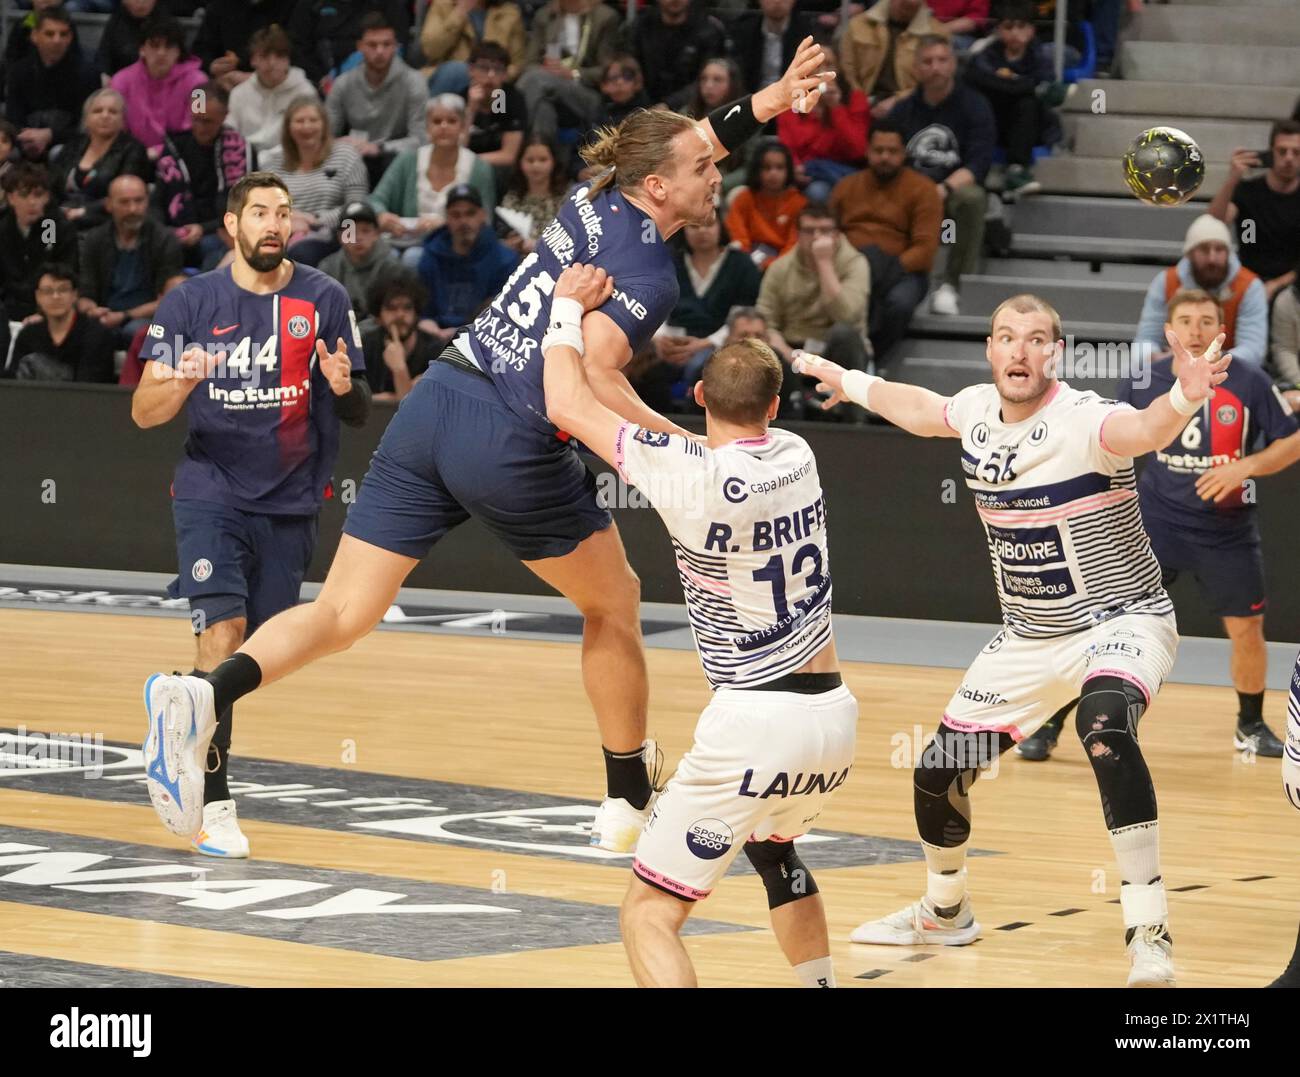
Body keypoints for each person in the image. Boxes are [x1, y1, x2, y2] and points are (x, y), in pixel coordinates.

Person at [135, 39, 833, 855]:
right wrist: (687, 448)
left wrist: (774, 99)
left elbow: (697, 137)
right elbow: (593, 379)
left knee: (341, 612)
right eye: (704, 170)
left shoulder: (597, 189)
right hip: (510, 431)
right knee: (613, 602)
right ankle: (625, 800)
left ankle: (207, 695)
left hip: (437, 398)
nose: (718, 173)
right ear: (659, 187)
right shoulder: (651, 274)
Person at [800, 292, 1233, 987]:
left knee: (1104, 727)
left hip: (1120, 619)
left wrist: (1183, 399)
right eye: (1006, 337)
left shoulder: (1084, 420)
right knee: (938, 772)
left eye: (1035, 339)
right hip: (1030, 639)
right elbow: (917, 408)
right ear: (991, 351)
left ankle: (1148, 929)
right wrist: (848, 380)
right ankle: (946, 911)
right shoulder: (975, 411)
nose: (1019, 350)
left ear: (1054, 354)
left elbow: (1144, 429)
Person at [540, 262, 857, 988]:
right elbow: (668, 435)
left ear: (702, 395)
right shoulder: (798, 455)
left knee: (648, 911)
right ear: (776, 406)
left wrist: (566, 312)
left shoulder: (687, 478)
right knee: (776, 854)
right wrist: (606, 376)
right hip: (833, 719)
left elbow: (565, 399)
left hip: (753, 721)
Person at [135, 171, 370, 856]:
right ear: (231, 223)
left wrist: (343, 384)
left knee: (250, 652)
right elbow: (143, 412)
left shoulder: (323, 297)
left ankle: (177, 718)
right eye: (260, 211)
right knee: (222, 630)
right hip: (212, 489)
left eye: (284, 213)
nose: (274, 223)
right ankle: (216, 805)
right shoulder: (191, 303)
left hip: (293, 499)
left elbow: (355, 411)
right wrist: (181, 379)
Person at [1017, 289, 1300, 763]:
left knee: (1248, 628)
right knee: (1100, 625)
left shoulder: (1248, 379)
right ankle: (1049, 724)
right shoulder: (1146, 376)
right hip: (1153, 527)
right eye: (1186, 320)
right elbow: (1113, 441)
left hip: (1226, 533)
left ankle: (1249, 725)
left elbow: (1292, 442)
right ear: (1169, 329)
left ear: (1221, 329)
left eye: (1206, 320)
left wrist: (1243, 467)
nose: (1195, 329)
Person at [888, 34, 994, 316]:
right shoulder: (902, 110)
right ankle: (890, 279)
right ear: (916, 68)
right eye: (927, 61)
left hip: (951, 190)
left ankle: (952, 285)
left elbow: (978, 164)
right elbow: (888, 157)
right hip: (910, 191)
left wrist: (942, 189)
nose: (935, 67)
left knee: (972, 198)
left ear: (953, 64)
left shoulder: (975, 106)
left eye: (942, 60)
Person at [830, 118, 940, 366]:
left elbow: (925, 249)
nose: (885, 157)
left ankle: (874, 361)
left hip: (903, 271)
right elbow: (829, 232)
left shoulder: (923, 189)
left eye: (892, 151)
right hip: (849, 266)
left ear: (904, 153)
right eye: (879, 151)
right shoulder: (846, 187)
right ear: (868, 151)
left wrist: (885, 270)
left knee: (899, 304)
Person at [370, 95, 497, 264]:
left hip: (456, 247)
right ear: (427, 127)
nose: (443, 127)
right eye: (437, 121)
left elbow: (485, 220)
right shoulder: (407, 160)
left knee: (413, 258)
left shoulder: (479, 168)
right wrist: (383, 216)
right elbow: (375, 200)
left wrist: (448, 226)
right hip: (403, 241)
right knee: (386, 256)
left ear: (463, 126)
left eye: (451, 121)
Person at [1133, 214, 1267, 367]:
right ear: (1190, 253)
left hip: (1228, 372)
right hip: (1174, 368)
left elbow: (1253, 350)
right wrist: (1159, 358)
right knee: (1135, 376)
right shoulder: (1165, 282)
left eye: (1219, 250)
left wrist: (1208, 360)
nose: (1212, 258)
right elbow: (1145, 340)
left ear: (1228, 253)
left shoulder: (1249, 286)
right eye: (1204, 250)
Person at [757, 201, 872, 376]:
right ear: (798, 235)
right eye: (809, 231)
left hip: (839, 351)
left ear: (837, 234)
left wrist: (824, 263)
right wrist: (790, 355)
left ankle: (846, 402)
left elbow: (847, 317)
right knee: (765, 350)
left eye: (825, 230)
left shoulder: (855, 263)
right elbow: (765, 324)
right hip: (794, 348)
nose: (817, 237)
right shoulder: (780, 268)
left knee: (844, 334)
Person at [963, 1, 1061, 196]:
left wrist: (1011, 85)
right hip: (993, 120)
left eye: (1021, 27)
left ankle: (1016, 170)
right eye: (1008, 27)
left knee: (1028, 104)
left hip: (1027, 127)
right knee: (988, 96)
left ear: (1031, 30)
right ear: (998, 30)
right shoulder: (985, 53)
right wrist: (1026, 86)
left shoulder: (1040, 56)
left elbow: (1050, 94)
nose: (1015, 33)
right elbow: (976, 79)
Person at [258, 97, 370, 266]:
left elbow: (356, 207)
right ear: (288, 127)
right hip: (284, 232)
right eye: (299, 121)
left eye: (313, 120)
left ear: (324, 124)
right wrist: (289, 221)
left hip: (335, 233)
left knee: (301, 254)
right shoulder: (272, 165)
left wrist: (314, 219)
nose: (307, 127)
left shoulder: (347, 156)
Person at [153, 82, 252, 271]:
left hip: (218, 231)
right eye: (195, 120)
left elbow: (243, 207)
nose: (200, 127)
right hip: (176, 230)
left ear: (224, 116)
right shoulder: (174, 147)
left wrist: (203, 229)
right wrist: (164, 231)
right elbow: (157, 199)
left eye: (207, 121)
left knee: (212, 248)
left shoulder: (238, 150)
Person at [78, 174, 187, 345]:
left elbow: (170, 300)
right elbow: (86, 291)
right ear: (109, 205)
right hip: (106, 315)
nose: (132, 209)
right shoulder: (95, 239)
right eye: (124, 202)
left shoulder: (164, 239)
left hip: (147, 317)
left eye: (139, 201)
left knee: (135, 331)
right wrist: (92, 310)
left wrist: (124, 316)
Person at [325, 12, 430, 189]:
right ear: (360, 46)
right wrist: (341, 144)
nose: (380, 51)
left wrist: (379, 148)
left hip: (395, 160)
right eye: (372, 45)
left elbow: (420, 140)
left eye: (386, 44)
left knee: (399, 160)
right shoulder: (343, 83)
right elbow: (325, 136)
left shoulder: (414, 82)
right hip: (354, 157)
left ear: (396, 47)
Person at [1208, 119, 1300, 304]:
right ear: (1270, 153)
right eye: (1282, 151)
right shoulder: (1246, 191)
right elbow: (1212, 224)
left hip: (1294, 284)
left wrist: (1275, 285)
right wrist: (1232, 179)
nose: (1289, 158)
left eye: (1296, 152)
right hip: (1247, 280)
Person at [414, 183, 518, 341]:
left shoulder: (505, 260)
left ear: (482, 215)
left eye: (470, 214)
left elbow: (502, 316)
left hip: (483, 338)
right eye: (456, 215)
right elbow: (423, 311)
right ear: (447, 219)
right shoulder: (430, 258)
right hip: (434, 337)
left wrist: (462, 331)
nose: (463, 221)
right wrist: (428, 325)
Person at [515, 0, 622, 143]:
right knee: (543, 106)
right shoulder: (545, 15)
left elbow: (606, 70)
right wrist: (547, 70)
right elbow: (529, 63)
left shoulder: (605, 17)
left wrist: (572, 73)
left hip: (587, 92)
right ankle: (543, 153)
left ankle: (510, 128)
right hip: (546, 85)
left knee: (535, 80)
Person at [774, 41, 868, 203]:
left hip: (846, 169)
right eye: (816, 64)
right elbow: (788, 147)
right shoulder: (791, 103)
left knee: (817, 176)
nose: (823, 71)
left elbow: (858, 150)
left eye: (829, 64)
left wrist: (836, 108)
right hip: (807, 176)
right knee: (815, 186)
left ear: (838, 69)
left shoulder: (855, 99)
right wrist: (795, 168)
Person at [5, 5, 100, 163]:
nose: (57, 40)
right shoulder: (19, 72)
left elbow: (86, 129)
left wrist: (49, 136)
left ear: (70, 38)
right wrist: (27, 140)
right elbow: (13, 120)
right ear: (35, 36)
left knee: (58, 153)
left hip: (69, 146)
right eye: (49, 34)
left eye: (63, 34)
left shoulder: (88, 74)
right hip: (26, 142)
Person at [49, 89, 151, 232]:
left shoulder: (133, 150)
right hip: (64, 215)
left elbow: (125, 195)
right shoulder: (73, 145)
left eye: (113, 112)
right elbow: (51, 184)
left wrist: (83, 212)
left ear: (122, 120)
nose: (105, 116)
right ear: (86, 119)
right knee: (46, 235)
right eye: (97, 111)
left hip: (106, 220)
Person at [109, 13, 209, 157]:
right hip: (132, 157)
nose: (161, 53)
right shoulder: (120, 81)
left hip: (183, 157)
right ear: (142, 49)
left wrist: (159, 152)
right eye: (154, 46)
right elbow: (116, 130)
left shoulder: (200, 85)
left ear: (178, 51)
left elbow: (199, 129)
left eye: (169, 46)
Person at [3, 263, 115, 383]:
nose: (55, 296)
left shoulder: (98, 335)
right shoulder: (28, 334)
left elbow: (92, 385)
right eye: (47, 291)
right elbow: (13, 383)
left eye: (63, 290)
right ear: (38, 296)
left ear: (74, 295)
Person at [839, 0, 948, 115]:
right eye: (904, 4)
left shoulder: (937, 33)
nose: (908, 8)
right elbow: (847, 70)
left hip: (913, 107)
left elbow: (936, 80)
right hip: (861, 102)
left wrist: (899, 100)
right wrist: (860, 101)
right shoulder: (857, 25)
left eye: (913, 6)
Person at [0, 163, 79, 322]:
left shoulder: (55, 227)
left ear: (47, 197)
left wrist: (44, 313)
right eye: (24, 195)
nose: (32, 202)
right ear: (10, 198)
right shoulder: (3, 227)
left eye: (38, 194)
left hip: (47, 309)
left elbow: (64, 275)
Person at [226, 24, 320, 156]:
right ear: (253, 60)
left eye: (279, 56)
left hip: (291, 163)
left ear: (288, 60)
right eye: (264, 56)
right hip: (247, 163)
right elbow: (230, 137)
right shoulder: (239, 93)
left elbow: (310, 138)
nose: (272, 63)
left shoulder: (305, 93)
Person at [620, 0, 727, 109]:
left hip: (693, 106)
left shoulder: (709, 30)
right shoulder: (640, 26)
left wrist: (669, 104)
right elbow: (629, 68)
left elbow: (709, 78)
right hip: (643, 105)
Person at [725, 138, 806, 271]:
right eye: (766, 168)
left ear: (789, 170)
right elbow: (738, 237)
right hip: (748, 261)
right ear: (757, 170)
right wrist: (747, 264)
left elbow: (793, 245)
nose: (773, 173)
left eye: (779, 167)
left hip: (784, 264)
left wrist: (772, 265)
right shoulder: (744, 198)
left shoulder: (798, 203)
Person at [419, 0, 527, 95]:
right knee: (457, 70)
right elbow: (431, 50)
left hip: (494, 83)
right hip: (450, 81)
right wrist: (460, 12)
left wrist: (491, 76)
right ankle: (438, 116)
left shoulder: (510, 14)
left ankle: (495, 117)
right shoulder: (442, 5)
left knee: (501, 92)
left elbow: (516, 65)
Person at [362, 270, 439, 400]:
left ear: (416, 313)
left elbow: (414, 412)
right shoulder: (366, 345)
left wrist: (399, 369)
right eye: (391, 308)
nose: (400, 315)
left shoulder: (435, 350)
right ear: (378, 317)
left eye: (407, 307)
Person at [318, 200, 402, 317]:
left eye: (366, 231)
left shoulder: (391, 267)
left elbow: (391, 314)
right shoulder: (328, 268)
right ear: (340, 237)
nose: (358, 237)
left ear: (376, 234)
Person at [191, 0, 296, 90]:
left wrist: (253, 79)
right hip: (223, 86)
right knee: (199, 96)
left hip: (277, 84)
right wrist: (211, 65)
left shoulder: (292, 6)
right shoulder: (221, 5)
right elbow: (199, 51)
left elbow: (298, 57)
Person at [497, 136, 566, 255]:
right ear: (520, 163)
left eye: (543, 160)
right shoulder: (511, 199)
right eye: (530, 160)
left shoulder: (567, 199)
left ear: (553, 161)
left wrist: (536, 245)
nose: (536, 166)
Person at [729, 0, 815, 94]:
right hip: (752, 98)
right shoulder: (744, 31)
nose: (777, 1)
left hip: (794, 98)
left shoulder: (808, 33)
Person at [96, 0, 162, 78]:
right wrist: (104, 74)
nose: (141, 2)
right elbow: (104, 54)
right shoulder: (117, 21)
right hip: (119, 82)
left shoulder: (165, 24)